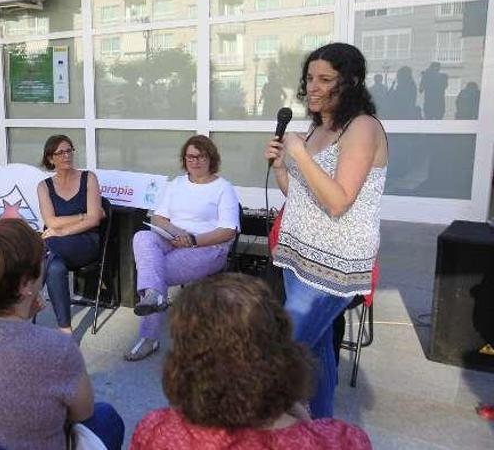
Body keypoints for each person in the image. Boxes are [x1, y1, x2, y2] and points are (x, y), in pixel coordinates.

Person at [0, 219, 125, 450]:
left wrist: (21, 315)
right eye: (44, 258)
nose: (46, 264)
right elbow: (83, 411)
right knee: (106, 418)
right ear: (26, 284)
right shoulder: (57, 348)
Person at [264, 42, 388, 419]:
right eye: (309, 78)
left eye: (325, 79)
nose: (313, 87)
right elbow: (301, 196)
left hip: (332, 268)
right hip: (296, 257)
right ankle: (324, 430)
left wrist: (299, 153)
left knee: (279, 358)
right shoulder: (318, 127)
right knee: (317, 355)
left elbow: (338, 201)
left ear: (349, 82)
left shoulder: (362, 128)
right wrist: (284, 167)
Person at [130, 273, 372, 450]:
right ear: (283, 353)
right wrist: (304, 422)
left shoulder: (157, 432)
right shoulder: (344, 441)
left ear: (183, 362)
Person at [125, 135, 240, 362]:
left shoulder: (223, 188)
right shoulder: (177, 184)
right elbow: (158, 217)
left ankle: (149, 335)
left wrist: (194, 240)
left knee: (154, 273)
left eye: (200, 156)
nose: (194, 161)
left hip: (208, 247)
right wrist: (178, 233)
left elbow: (228, 231)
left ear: (211, 158)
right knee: (142, 237)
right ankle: (154, 297)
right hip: (173, 238)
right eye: (190, 157)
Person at [36, 135, 104, 335]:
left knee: (45, 249)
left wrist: (63, 230)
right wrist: (80, 216)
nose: (66, 155)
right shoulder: (43, 186)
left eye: (69, 150)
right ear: (50, 159)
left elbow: (94, 220)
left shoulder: (88, 178)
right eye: (60, 152)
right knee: (55, 267)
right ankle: (65, 329)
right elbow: (51, 222)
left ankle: (28, 294)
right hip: (57, 246)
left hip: (86, 242)